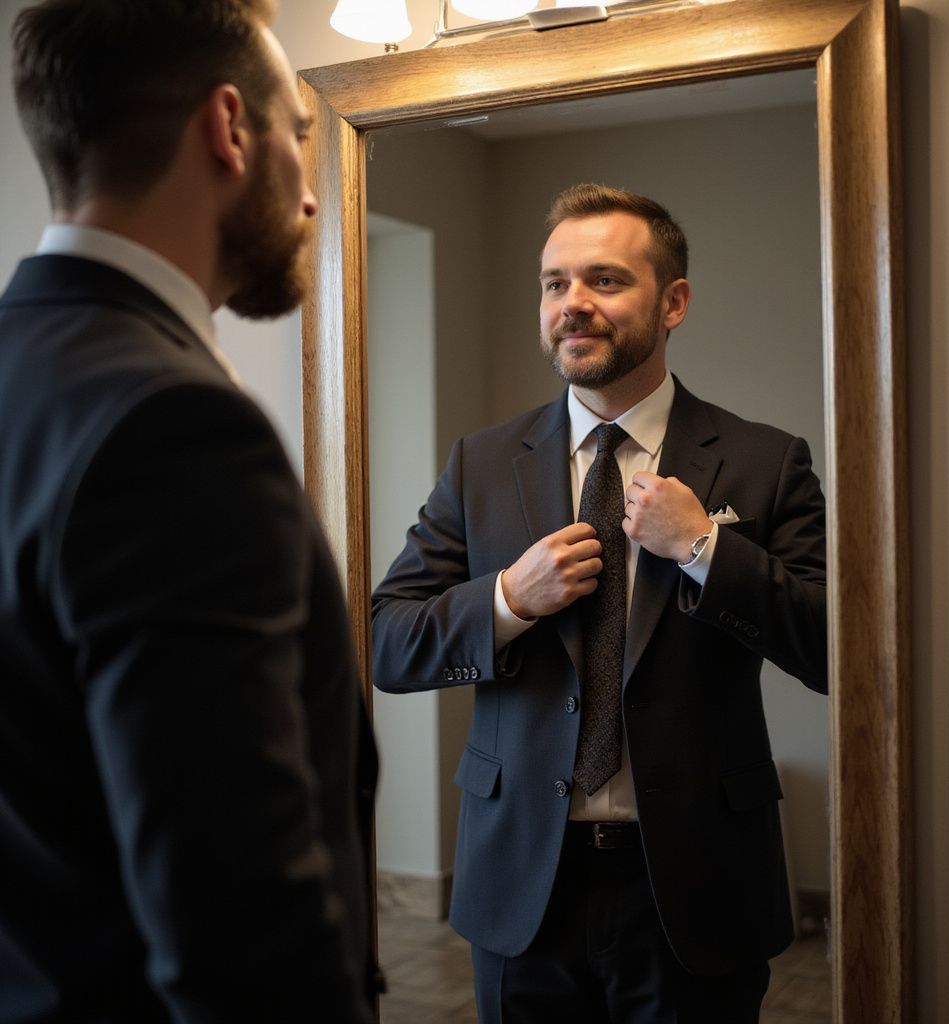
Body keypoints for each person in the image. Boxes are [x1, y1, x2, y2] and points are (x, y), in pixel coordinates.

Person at [0, 2, 377, 1021]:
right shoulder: (176, 430)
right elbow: (240, 932)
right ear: (228, 128)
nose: (310, 192)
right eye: (300, 137)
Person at [371, 183, 827, 1023]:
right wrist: (509, 597)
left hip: (698, 883)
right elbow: (386, 643)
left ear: (674, 301)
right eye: (554, 283)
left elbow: (837, 654)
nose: (572, 305)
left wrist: (704, 549)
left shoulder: (767, 461)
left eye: (605, 280)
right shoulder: (482, 462)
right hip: (522, 884)